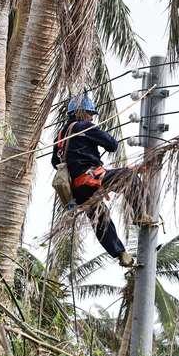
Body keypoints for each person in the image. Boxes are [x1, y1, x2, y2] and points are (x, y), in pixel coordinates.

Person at [51, 94, 143, 267]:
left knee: (100, 218)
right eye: (89, 113)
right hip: (91, 178)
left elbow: (55, 162)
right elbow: (112, 145)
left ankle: (120, 253)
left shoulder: (60, 136)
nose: (92, 117)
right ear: (81, 113)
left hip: (76, 190)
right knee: (128, 176)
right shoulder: (84, 126)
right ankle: (139, 215)